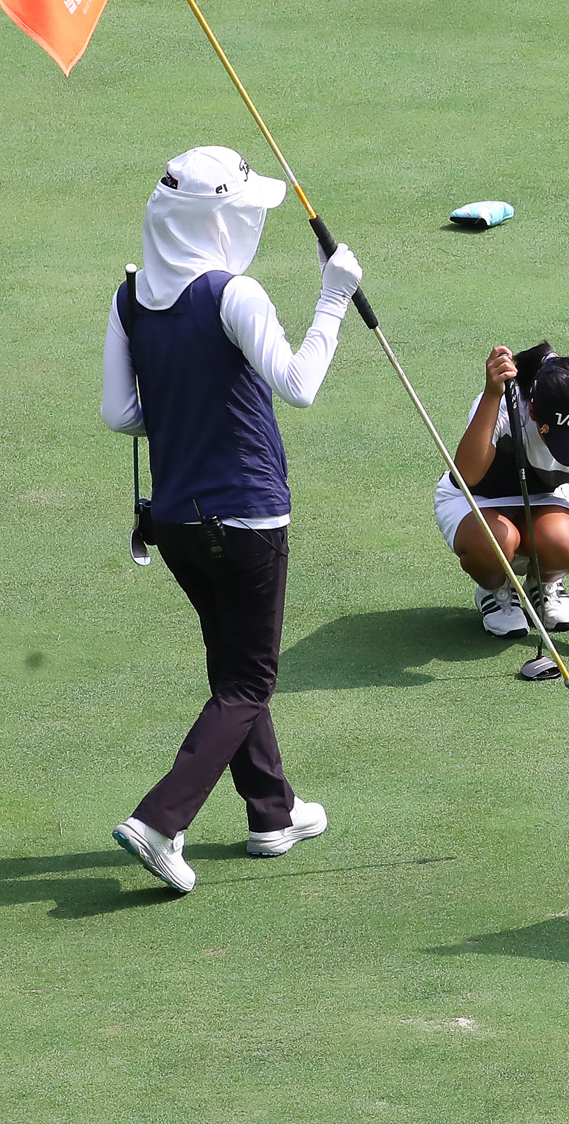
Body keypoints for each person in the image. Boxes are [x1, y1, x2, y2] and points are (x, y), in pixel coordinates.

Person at [100, 145, 363, 894]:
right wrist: (334, 297)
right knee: (249, 680)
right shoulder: (232, 293)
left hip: (178, 524)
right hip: (248, 517)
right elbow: (299, 383)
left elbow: (120, 412)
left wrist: (186, 407)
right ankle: (159, 819)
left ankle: (272, 813)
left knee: (233, 665)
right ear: (217, 218)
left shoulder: (128, 296)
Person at [436, 344, 569, 657]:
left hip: (545, 499)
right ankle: (496, 590)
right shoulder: (504, 406)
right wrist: (490, 395)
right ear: (532, 414)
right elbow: (468, 476)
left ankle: (544, 585)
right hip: (475, 500)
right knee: (495, 540)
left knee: (564, 541)